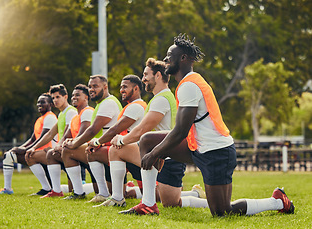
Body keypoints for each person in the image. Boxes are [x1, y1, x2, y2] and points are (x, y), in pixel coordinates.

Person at [133, 33, 294, 216]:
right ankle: (148, 204)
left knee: (222, 212)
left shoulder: (189, 85)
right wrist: (157, 150)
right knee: (147, 140)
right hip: (197, 146)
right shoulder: (187, 83)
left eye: (169, 56)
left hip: (216, 152)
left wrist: (156, 153)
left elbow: (180, 131)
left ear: (183, 58)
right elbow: (181, 132)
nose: (165, 59)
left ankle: (277, 201)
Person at [109, 58, 207, 212]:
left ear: (158, 76)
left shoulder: (161, 99)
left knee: (171, 202)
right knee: (115, 150)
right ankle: (118, 198)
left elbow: (142, 130)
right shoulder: (162, 98)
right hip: (159, 154)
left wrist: (121, 140)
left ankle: (204, 199)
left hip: (168, 157)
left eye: (146, 74)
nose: (143, 79)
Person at [86, 75, 147, 206]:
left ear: (136, 88)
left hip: (140, 155)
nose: (121, 90)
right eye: (121, 87)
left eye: (125, 87)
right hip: (133, 153)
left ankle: (114, 196)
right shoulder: (132, 106)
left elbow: (115, 130)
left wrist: (97, 142)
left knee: (164, 198)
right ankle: (117, 196)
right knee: (153, 194)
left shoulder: (136, 106)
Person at [62, 75, 122, 202]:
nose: (91, 89)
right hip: (102, 148)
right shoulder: (102, 104)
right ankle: (91, 192)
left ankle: (95, 193)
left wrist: (75, 143)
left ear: (105, 87)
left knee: (70, 150)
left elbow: (92, 130)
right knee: (70, 149)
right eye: (90, 86)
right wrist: (72, 141)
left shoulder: (109, 103)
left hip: (112, 150)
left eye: (95, 86)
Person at [0, 93, 57, 195]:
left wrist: (26, 150)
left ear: (51, 104)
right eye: (38, 102)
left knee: (23, 155)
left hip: (47, 153)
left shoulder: (50, 117)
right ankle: (7, 189)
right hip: (37, 151)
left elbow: (43, 138)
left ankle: (47, 188)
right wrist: (20, 148)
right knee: (9, 155)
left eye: (43, 102)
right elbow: (32, 139)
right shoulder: (40, 119)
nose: (39, 104)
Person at [26, 84, 77, 197]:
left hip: (72, 151)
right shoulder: (61, 114)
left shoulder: (71, 112)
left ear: (65, 97)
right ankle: (51, 189)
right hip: (62, 151)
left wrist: (58, 145)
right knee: (31, 155)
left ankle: (56, 190)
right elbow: (50, 134)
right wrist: (33, 147)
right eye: (53, 98)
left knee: (76, 190)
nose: (55, 100)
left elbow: (69, 133)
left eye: (58, 97)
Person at [47, 84, 95, 200]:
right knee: (51, 154)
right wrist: (59, 145)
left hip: (92, 150)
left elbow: (83, 135)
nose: (74, 97)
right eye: (73, 95)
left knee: (105, 190)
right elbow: (66, 135)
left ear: (86, 98)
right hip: (79, 150)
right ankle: (58, 190)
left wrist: (69, 144)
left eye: (78, 95)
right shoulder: (75, 117)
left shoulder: (87, 112)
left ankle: (79, 192)